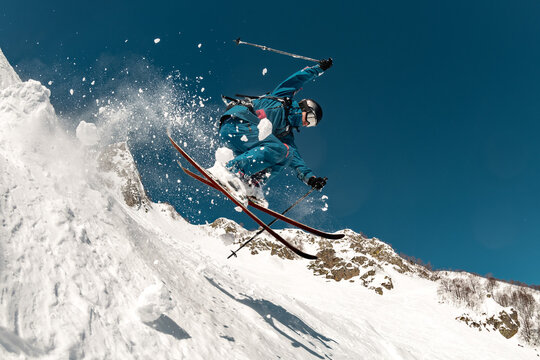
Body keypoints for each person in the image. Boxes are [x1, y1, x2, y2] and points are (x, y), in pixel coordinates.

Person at [217, 58, 333, 199]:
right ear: (305, 108)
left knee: (287, 153)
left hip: (245, 139)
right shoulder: (282, 99)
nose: (307, 124)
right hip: (237, 123)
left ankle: (252, 182)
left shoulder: (285, 133)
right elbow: (297, 79)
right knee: (281, 149)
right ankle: (232, 170)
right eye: (310, 119)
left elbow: (296, 161)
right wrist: (318, 69)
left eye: (311, 124)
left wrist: (311, 179)